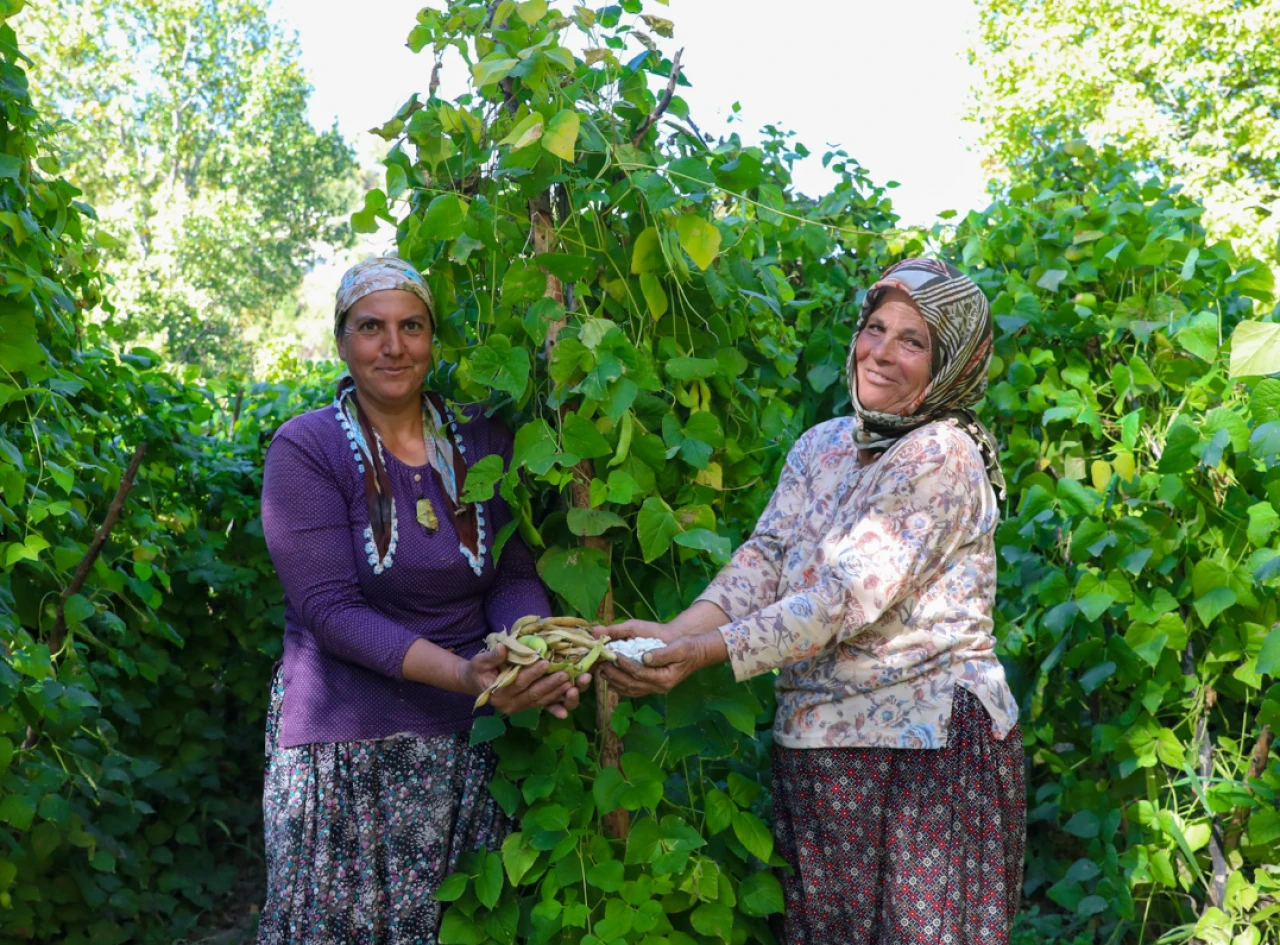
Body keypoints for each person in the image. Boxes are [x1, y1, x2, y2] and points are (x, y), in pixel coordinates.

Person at [602, 258, 1025, 944]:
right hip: (821, 752)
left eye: (912, 341)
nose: (880, 352)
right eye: (874, 327)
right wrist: (674, 634)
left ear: (951, 363)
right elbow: (765, 560)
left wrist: (702, 654)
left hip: (924, 757)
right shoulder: (823, 446)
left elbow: (842, 599)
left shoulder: (942, 452)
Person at [256, 256, 588, 944]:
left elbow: (508, 569)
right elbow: (330, 609)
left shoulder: (481, 437)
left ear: (433, 338)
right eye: (371, 326)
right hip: (347, 747)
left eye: (412, 326)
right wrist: (466, 674)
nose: (393, 345)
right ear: (342, 339)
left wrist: (528, 645)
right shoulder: (309, 447)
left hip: (463, 743)